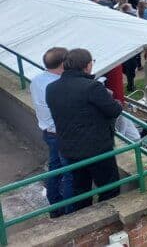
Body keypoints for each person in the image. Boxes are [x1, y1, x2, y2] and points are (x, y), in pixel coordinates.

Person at [47, 48, 123, 210]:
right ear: (87, 66)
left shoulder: (51, 88)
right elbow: (114, 110)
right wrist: (114, 101)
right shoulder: (92, 87)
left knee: (80, 192)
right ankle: (108, 220)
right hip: (98, 150)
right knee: (109, 189)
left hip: (70, 150)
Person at [30, 47, 74, 217]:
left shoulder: (37, 80)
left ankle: (55, 205)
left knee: (55, 168)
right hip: (60, 133)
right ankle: (70, 211)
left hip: (49, 132)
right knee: (69, 172)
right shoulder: (56, 85)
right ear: (63, 63)